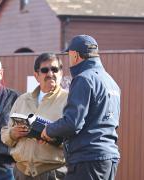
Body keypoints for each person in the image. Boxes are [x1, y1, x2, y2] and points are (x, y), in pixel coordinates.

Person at [40, 35, 121, 180]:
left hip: (87, 159)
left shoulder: (83, 79)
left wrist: (48, 130)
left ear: (75, 55)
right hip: (109, 158)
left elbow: (73, 123)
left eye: (69, 56)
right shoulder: (111, 82)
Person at [1, 53, 68, 180]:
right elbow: (4, 134)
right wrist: (12, 134)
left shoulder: (69, 101)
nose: (50, 74)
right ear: (36, 75)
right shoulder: (22, 99)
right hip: (21, 172)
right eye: (44, 70)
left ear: (61, 73)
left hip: (53, 173)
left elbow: (75, 139)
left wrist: (52, 136)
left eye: (54, 69)